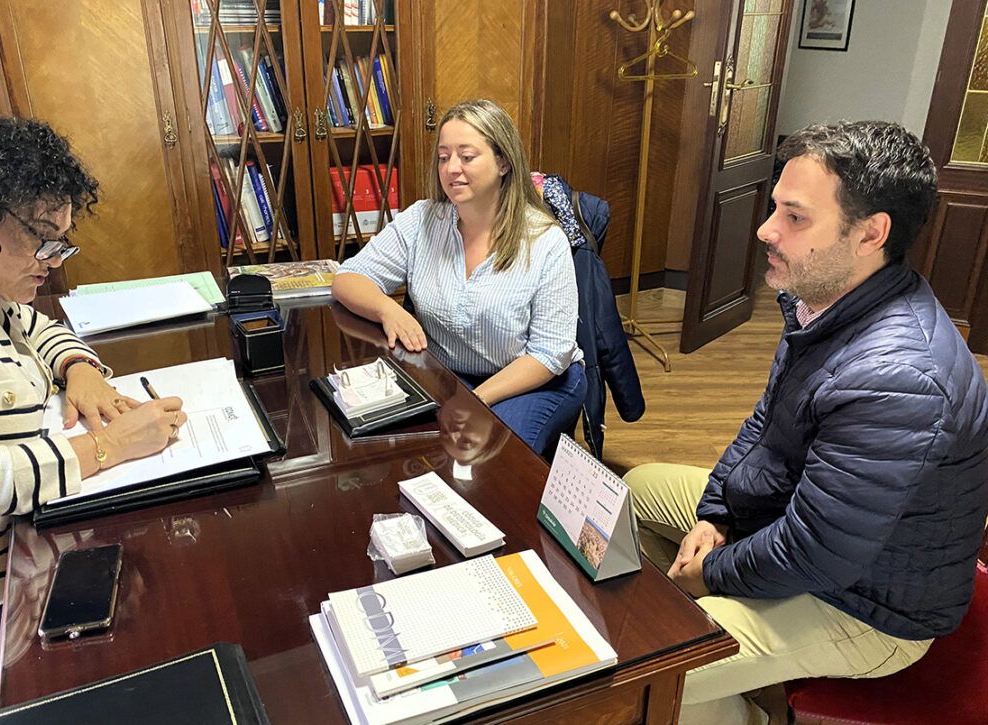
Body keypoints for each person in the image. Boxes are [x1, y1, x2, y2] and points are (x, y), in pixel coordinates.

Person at [624, 120, 988, 725]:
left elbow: (818, 553)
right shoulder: (825, 298)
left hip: (865, 606)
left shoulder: (898, 376)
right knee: (634, 493)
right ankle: (714, 676)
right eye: (774, 208)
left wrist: (709, 575)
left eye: (795, 217)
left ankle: (726, 708)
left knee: (646, 673)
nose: (766, 230)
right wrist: (715, 514)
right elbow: (764, 424)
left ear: (872, 233)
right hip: (801, 528)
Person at [0, 110, 189, 715]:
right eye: (42, 237)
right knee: (159, 639)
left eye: (61, 239)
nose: (54, 259)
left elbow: (42, 330)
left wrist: (80, 370)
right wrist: (110, 446)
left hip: (30, 552)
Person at [332, 99, 585, 457]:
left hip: (535, 383)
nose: (452, 168)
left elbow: (549, 354)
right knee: (391, 444)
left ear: (503, 162)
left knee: (497, 461)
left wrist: (476, 400)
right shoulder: (424, 220)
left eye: (467, 156)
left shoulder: (545, 241)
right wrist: (389, 310)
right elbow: (348, 278)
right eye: (443, 156)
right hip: (449, 376)